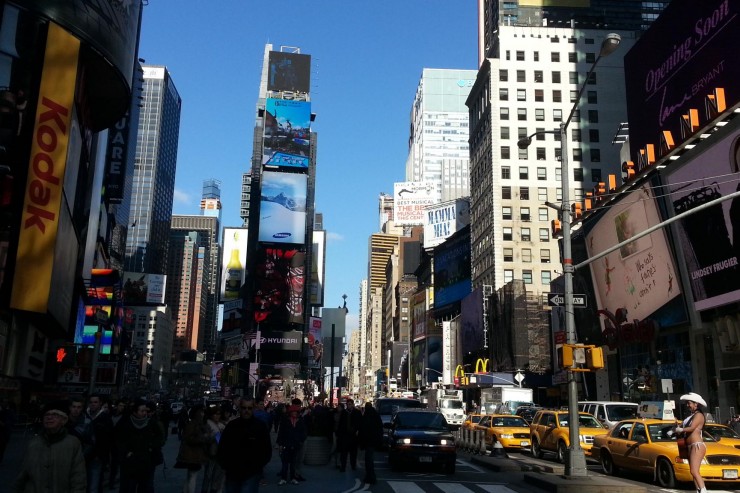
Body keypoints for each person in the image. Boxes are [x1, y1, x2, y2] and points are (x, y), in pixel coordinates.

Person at [14, 400, 87, 493]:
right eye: (46, 415)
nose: (49, 417)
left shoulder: (73, 443)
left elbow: (78, 476)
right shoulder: (34, 443)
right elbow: (23, 473)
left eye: (55, 415)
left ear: (63, 420)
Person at [217, 398, 271, 493]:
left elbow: (266, 449)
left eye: (249, 408)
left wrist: (258, 466)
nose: (246, 410)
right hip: (233, 472)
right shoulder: (232, 426)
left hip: (251, 473)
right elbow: (223, 447)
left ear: (253, 408)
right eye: (244, 408)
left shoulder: (260, 426)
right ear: (240, 408)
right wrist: (225, 465)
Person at [115, 398, 164, 493]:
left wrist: (151, 446)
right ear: (134, 412)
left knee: (145, 487)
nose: (145, 413)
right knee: (129, 487)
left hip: (146, 462)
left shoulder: (151, 423)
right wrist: (126, 452)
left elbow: (159, 438)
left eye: (145, 411)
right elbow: (118, 440)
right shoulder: (125, 423)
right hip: (130, 464)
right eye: (142, 411)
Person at [675, 392, 707, 493]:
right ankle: (698, 490)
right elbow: (685, 426)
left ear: (696, 404)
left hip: (697, 445)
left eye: (689, 403)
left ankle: (703, 490)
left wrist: (681, 430)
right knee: (693, 472)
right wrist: (677, 425)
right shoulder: (691, 416)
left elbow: (692, 428)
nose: (688, 405)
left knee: (694, 471)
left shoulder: (699, 415)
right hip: (689, 446)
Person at [176, 405, 210, 493]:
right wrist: (203, 438)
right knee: (192, 476)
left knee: (191, 476)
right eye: (201, 412)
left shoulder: (195, 424)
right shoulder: (193, 425)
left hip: (193, 454)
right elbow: (189, 438)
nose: (203, 414)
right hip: (192, 455)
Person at [86, 394, 114, 493]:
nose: (93, 404)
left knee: (94, 485)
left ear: (100, 403)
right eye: (91, 402)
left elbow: (108, 439)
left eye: (95, 402)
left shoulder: (105, 418)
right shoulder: (85, 416)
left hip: (97, 456)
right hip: (83, 456)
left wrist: (103, 456)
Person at [275, 404, 306, 485]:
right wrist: (280, 443)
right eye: (293, 412)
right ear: (290, 412)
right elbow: (281, 432)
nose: (295, 413)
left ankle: (292, 478)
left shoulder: (300, 420)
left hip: (295, 444)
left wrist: (300, 440)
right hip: (287, 443)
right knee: (285, 462)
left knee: (293, 463)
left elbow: (303, 432)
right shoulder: (285, 420)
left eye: (296, 412)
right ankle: (284, 478)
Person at [201, 406, 225, 493]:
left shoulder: (221, 425)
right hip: (210, 453)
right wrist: (214, 435)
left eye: (219, 414)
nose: (217, 416)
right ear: (211, 415)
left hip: (219, 453)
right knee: (208, 475)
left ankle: (213, 490)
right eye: (215, 414)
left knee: (217, 475)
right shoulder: (207, 425)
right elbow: (204, 439)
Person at [358, 402, 383, 485]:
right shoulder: (375, 415)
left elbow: (362, 429)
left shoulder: (366, 416)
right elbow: (380, 429)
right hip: (373, 441)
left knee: (368, 460)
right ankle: (370, 476)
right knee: (369, 459)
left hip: (368, 441)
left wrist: (361, 441)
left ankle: (370, 476)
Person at [336, 399, 362, 472]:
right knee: (344, 452)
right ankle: (343, 466)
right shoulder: (344, 413)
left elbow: (360, 423)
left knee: (353, 452)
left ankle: (353, 465)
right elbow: (341, 424)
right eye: (348, 404)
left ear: (353, 404)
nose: (349, 406)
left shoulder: (357, 412)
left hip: (353, 435)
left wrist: (357, 431)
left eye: (350, 404)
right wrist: (340, 434)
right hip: (345, 435)